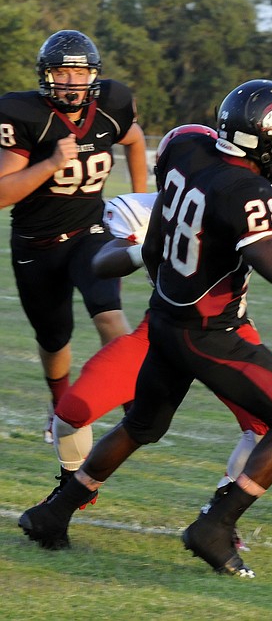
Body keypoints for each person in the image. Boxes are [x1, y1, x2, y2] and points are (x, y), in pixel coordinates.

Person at [19, 79, 272, 578]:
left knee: (141, 426)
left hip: (165, 319)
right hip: (209, 332)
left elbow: (241, 224)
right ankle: (215, 525)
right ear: (262, 140)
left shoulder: (189, 147)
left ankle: (52, 512)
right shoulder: (247, 189)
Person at [44, 125, 272, 552]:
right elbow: (103, 262)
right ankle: (71, 501)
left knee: (262, 425)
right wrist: (144, 250)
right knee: (76, 411)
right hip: (183, 328)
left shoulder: (223, 186)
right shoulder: (146, 205)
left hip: (215, 326)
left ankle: (219, 515)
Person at [0, 29, 148, 444]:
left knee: (108, 312)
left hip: (91, 230)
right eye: (60, 73)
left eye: (78, 73)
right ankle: (59, 403)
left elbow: (135, 141)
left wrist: (139, 205)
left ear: (94, 76)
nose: (70, 81)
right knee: (53, 338)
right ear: (46, 77)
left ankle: (132, 409)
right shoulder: (25, 116)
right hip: (36, 243)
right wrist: (49, 164)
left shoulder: (112, 105)